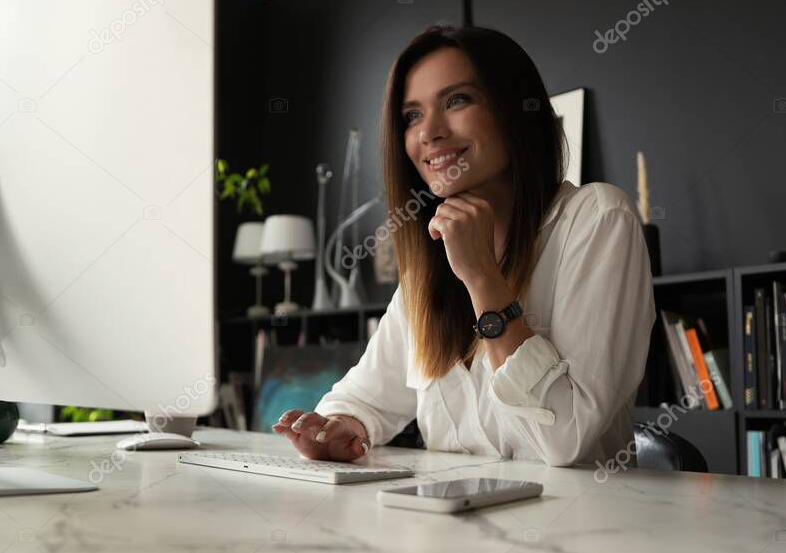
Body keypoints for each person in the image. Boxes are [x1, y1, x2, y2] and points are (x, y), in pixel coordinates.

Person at [272, 24, 655, 467]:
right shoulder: (428, 267)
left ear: (513, 111)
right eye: (411, 116)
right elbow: (366, 397)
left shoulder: (597, 219)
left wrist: (481, 278)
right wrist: (343, 425)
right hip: (450, 526)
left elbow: (565, 440)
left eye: (456, 100)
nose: (429, 133)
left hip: (578, 527)